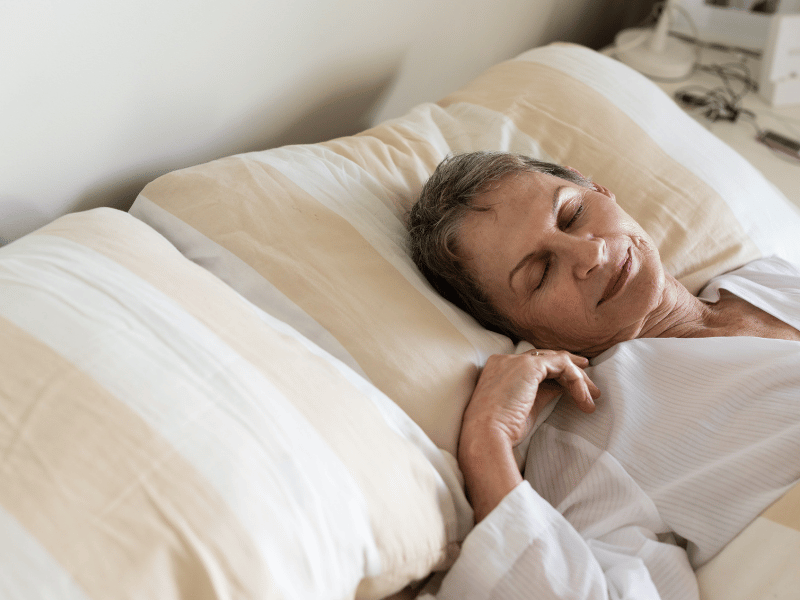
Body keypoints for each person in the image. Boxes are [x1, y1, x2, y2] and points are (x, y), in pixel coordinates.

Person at [407, 151, 800, 599]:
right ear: (517, 330)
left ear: (598, 189)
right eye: (540, 274)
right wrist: (486, 443)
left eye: (573, 214)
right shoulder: (592, 430)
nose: (590, 253)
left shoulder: (765, 279)